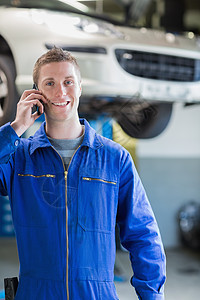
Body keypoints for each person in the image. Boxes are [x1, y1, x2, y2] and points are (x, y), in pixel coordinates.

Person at [0, 47, 166, 299]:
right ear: (36, 92)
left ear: (80, 88)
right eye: (50, 83)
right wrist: (16, 127)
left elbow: (143, 234)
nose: (60, 91)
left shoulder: (114, 158)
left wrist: (152, 295)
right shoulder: (19, 158)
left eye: (68, 82)